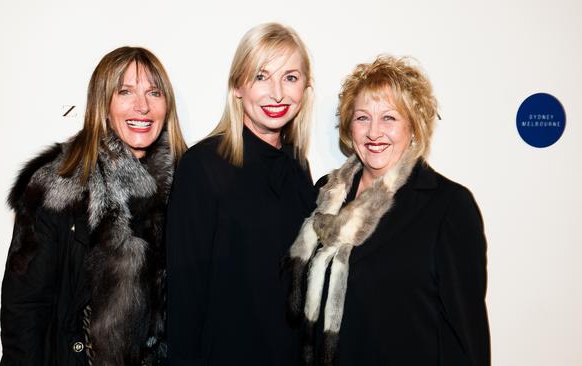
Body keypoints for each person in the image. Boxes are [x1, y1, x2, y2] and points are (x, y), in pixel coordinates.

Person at [288, 55, 490, 366]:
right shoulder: (326, 194)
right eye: (362, 118)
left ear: (413, 126)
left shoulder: (448, 206)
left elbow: (465, 332)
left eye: (389, 118)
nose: (373, 132)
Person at [0, 46, 187, 366]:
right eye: (125, 91)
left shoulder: (187, 184)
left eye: (154, 93)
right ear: (103, 103)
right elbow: (26, 309)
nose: (142, 106)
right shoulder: (58, 185)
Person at [166, 23, 316, 366]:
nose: (277, 93)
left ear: (306, 88)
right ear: (238, 86)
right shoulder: (202, 165)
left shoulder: (299, 169)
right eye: (261, 76)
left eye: (290, 77)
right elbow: (185, 295)